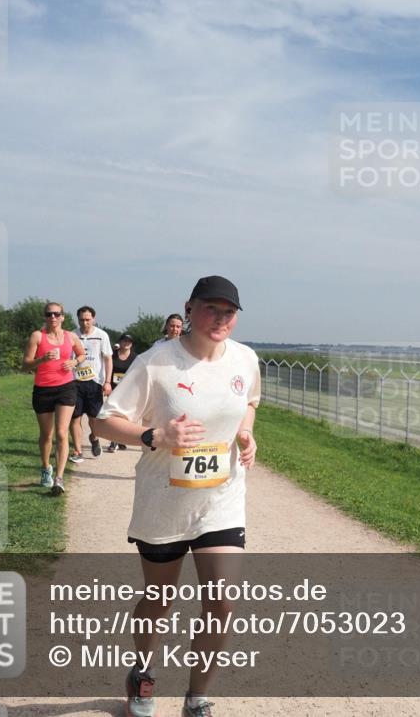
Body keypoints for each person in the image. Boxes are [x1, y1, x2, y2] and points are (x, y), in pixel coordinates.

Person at [93, 276, 259, 717]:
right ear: (189, 308)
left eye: (229, 312)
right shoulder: (156, 362)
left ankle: (196, 696)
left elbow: (250, 403)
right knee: (159, 598)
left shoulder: (245, 359)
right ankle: (143, 673)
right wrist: (157, 434)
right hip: (163, 503)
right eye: (211, 309)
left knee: (221, 600)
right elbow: (103, 422)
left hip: (220, 500)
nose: (221, 319)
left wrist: (246, 433)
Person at [22, 302, 86, 496]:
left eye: (57, 314)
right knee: (47, 435)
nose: (53, 317)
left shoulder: (71, 336)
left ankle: (59, 478)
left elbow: (82, 354)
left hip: (66, 388)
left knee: (61, 432)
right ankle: (45, 467)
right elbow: (25, 365)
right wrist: (42, 359)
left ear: (63, 317)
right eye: (49, 314)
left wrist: (74, 361)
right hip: (43, 390)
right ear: (45, 317)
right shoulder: (37, 336)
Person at [68, 306, 113, 463]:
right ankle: (78, 450)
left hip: (94, 382)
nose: (85, 322)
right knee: (75, 418)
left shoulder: (102, 335)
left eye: (88, 319)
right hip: (75, 382)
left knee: (94, 419)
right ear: (78, 319)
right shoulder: (72, 335)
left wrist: (107, 381)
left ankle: (94, 437)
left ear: (93, 319)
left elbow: (108, 359)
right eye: (82, 319)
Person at [106, 333, 137, 453]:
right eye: (124, 340)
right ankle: (113, 441)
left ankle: (121, 439)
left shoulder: (135, 358)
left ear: (132, 343)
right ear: (120, 342)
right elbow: (107, 368)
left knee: (124, 416)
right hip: (114, 390)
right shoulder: (113, 355)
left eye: (129, 341)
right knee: (113, 416)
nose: (127, 343)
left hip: (128, 391)